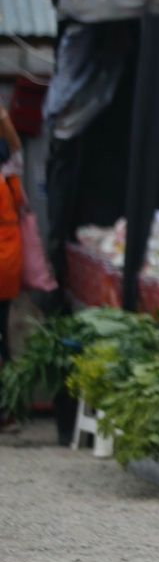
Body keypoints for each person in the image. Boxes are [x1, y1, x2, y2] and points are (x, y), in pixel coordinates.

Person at [0, 107, 24, 367]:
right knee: (3, 315)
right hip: (9, 259)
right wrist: (3, 117)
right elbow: (16, 148)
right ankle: (5, 356)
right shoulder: (11, 178)